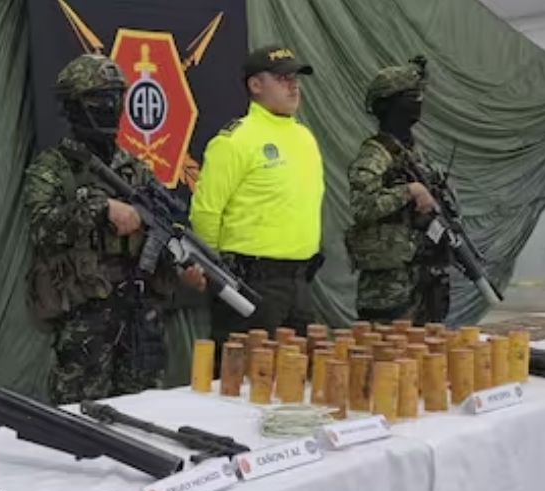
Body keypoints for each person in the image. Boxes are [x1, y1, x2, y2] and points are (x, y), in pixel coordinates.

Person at [23, 53, 204, 405]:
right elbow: (42, 227)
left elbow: (164, 230)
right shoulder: (53, 168)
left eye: (115, 98)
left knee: (145, 412)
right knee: (78, 416)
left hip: (140, 313)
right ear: (74, 106)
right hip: (86, 318)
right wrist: (101, 207)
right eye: (99, 99)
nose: (110, 108)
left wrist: (184, 267)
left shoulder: (136, 170)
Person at [190, 44, 326, 351]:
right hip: (252, 282)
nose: (293, 86)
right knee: (244, 373)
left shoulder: (305, 137)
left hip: (301, 281)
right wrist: (216, 274)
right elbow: (206, 212)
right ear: (255, 85)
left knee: (297, 373)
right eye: (282, 78)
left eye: (295, 78)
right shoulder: (235, 140)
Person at [345, 56, 452, 324]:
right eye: (411, 97)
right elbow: (362, 206)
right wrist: (410, 191)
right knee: (387, 348)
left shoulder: (415, 153)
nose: (418, 102)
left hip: (422, 274)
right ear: (390, 104)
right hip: (389, 285)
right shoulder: (375, 155)